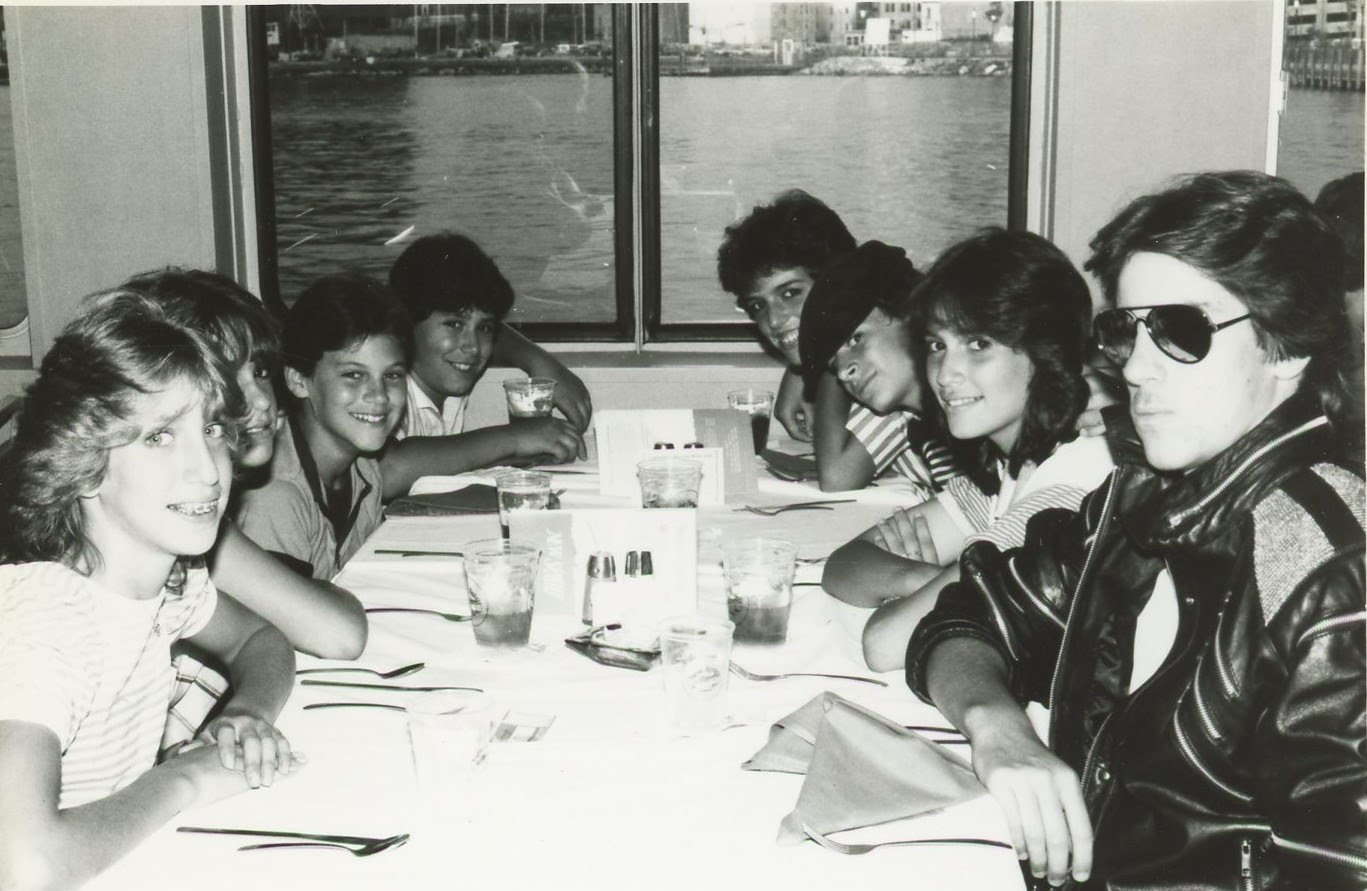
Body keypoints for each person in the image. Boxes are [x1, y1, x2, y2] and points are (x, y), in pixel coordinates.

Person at [906, 171, 1365, 889]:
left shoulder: (1332, 572)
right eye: (1125, 329)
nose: (1136, 368)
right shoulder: (1139, 500)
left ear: (1287, 348)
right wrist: (996, 726)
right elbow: (971, 612)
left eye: (1180, 331)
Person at [0, 299, 299, 888]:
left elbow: (261, 639)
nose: (209, 470)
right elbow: (23, 867)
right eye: (160, 436)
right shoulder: (45, 623)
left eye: (211, 428)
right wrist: (182, 780)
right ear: (82, 466)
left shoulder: (170, 584)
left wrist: (244, 715)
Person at [817, 233, 1115, 671]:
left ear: (1045, 351)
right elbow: (843, 565)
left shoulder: (1076, 480)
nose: (945, 374)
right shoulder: (1013, 463)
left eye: (978, 345)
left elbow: (885, 642)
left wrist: (933, 591)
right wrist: (934, 582)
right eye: (938, 345)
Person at [113, 269, 367, 659]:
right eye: (229, 378)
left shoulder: (209, 511)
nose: (262, 400)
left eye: (260, 372)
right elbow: (338, 633)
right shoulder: (167, 516)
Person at [718, 190, 955, 493]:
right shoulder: (859, 361)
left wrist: (817, 370)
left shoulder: (897, 372)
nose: (774, 321)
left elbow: (838, 477)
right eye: (757, 306)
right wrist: (806, 369)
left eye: (790, 293)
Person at [379, 233, 587, 499]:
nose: (473, 347)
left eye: (484, 328)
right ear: (405, 325)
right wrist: (515, 437)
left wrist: (539, 362)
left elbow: (498, 336)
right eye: (454, 324)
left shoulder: (445, 375)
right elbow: (386, 471)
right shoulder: (387, 386)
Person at [236, 273, 410, 580]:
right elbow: (285, 622)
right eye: (354, 375)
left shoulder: (363, 470)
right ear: (298, 381)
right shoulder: (277, 497)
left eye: (392, 375)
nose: (379, 396)